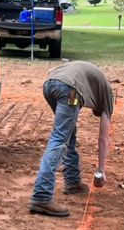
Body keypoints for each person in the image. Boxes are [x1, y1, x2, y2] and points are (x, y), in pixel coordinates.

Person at [29, 61, 114, 217]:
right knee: (60, 138)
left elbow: (53, 70)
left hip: (50, 85)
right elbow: (103, 138)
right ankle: (42, 195)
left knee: (68, 132)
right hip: (70, 91)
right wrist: (101, 171)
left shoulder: (92, 79)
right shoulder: (108, 98)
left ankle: (73, 181)